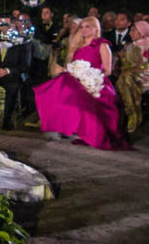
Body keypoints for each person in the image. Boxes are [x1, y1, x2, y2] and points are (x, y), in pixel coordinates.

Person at [34, 16, 129, 150]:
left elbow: (107, 70)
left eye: (87, 27)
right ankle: (61, 126)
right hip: (76, 80)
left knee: (83, 99)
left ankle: (86, 131)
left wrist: (88, 76)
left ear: (96, 28)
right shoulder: (77, 45)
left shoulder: (102, 44)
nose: (84, 30)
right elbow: (73, 66)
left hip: (96, 82)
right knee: (58, 87)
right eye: (82, 27)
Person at [114, 20, 149, 133]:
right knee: (125, 79)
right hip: (130, 76)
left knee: (126, 80)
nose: (130, 33)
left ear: (142, 32)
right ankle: (132, 113)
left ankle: (131, 114)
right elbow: (123, 65)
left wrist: (138, 69)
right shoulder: (129, 46)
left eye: (133, 30)